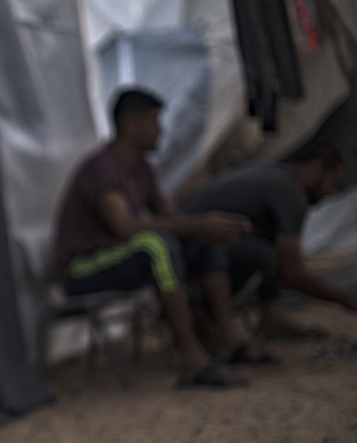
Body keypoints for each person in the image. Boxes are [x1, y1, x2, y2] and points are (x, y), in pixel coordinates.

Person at [53, 87, 270, 389]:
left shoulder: (141, 168)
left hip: (119, 257)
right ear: (132, 125)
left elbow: (171, 218)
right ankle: (192, 360)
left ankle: (229, 341)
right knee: (157, 245)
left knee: (201, 241)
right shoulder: (102, 168)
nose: (161, 130)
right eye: (155, 121)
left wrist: (206, 227)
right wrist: (197, 224)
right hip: (83, 268)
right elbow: (126, 228)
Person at [177, 141, 356, 338]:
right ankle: (203, 315)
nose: (329, 193)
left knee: (268, 242)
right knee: (264, 255)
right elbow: (292, 273)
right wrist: (343, 298)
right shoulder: (289, 191)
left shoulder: (271, 170)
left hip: (182, 236)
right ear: (317, 167)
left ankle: (270, 315)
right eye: (331, 184)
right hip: (194, 243)